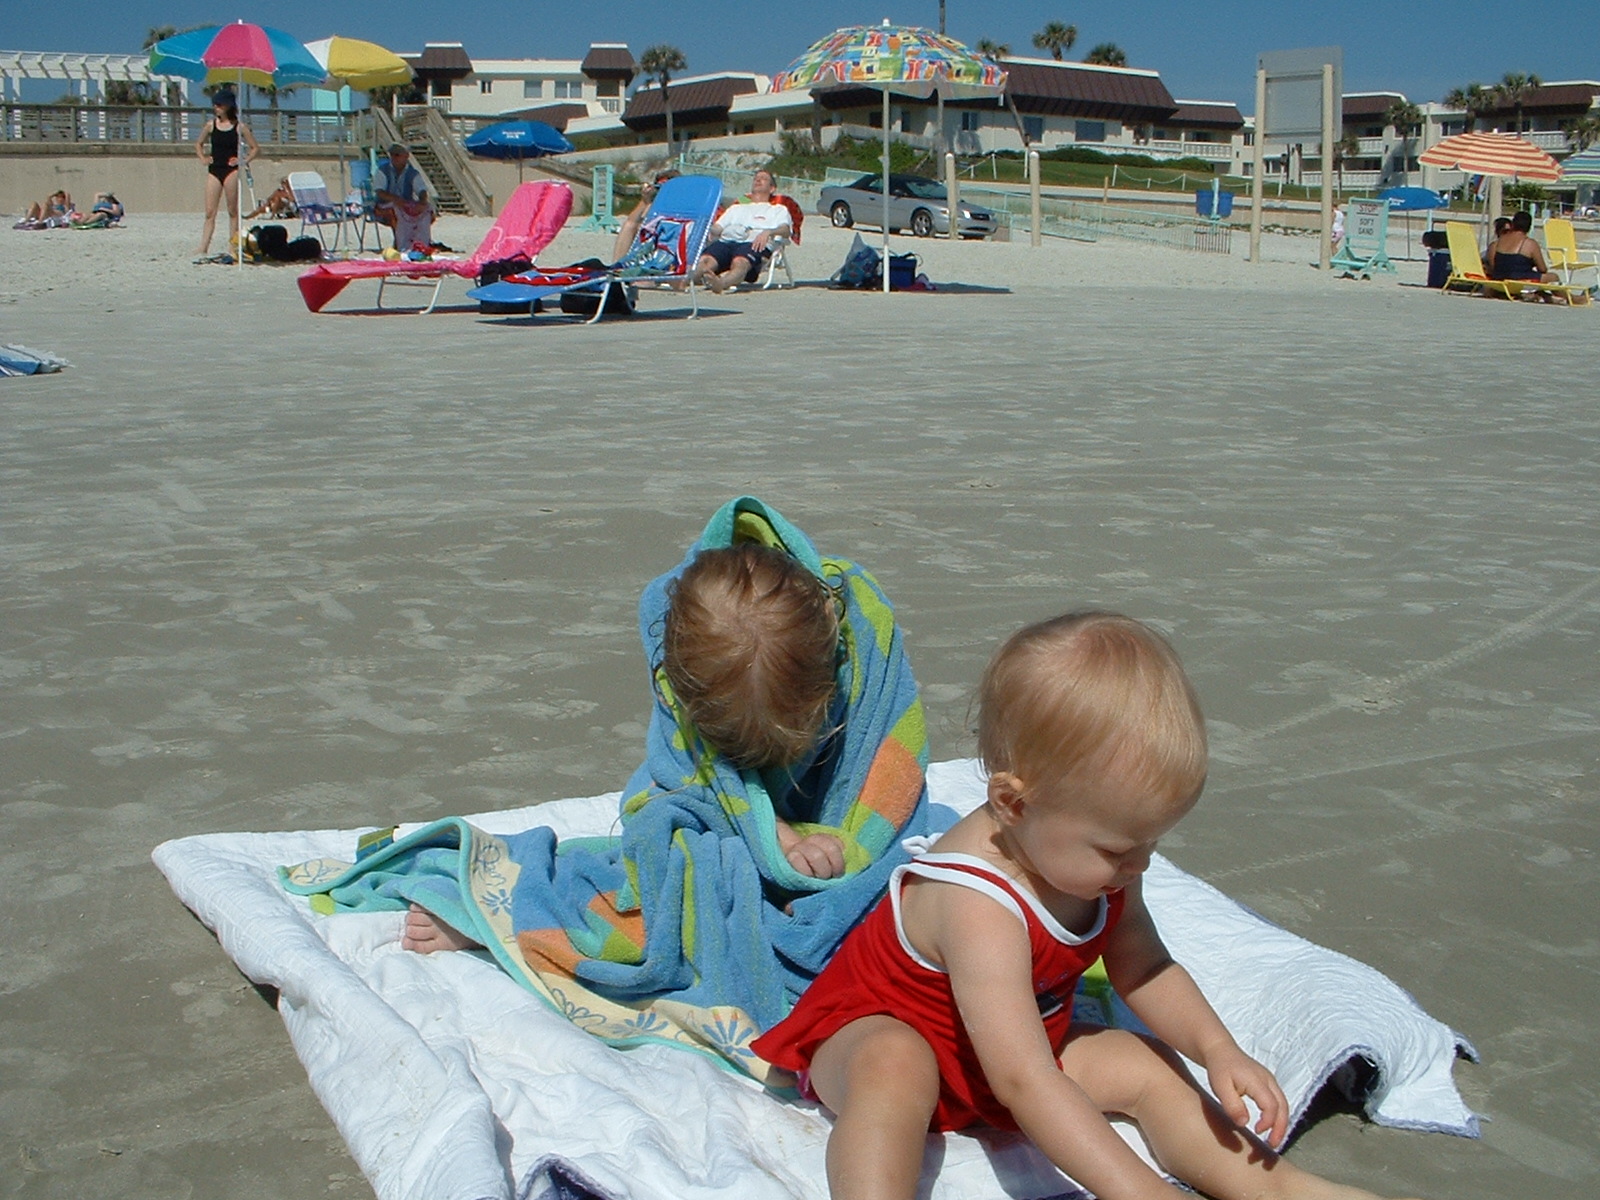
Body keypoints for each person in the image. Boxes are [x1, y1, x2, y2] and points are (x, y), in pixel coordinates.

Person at [752, 611, 1421, 1200]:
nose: (1140, 865)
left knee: (1147, 1064)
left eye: (1150, 842)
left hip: (1012, 1053)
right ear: (1014, 804)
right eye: (1118, 848)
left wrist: (1218, 1049)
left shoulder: (1103, 868)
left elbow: (1146, 967)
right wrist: (1141, 1190)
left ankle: (1278, 1187)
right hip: (884, 1036)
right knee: (893, 1068)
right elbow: (1025, 1082)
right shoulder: (978, 902)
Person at [403, 541, 849, 952]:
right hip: (697, 799)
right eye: (739, 750)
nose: (757, 764)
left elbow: (876, 793)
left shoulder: (854, 673)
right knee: (670, 889)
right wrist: (776, 838)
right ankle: (499, 919)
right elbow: (696, 778)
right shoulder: (692, 664)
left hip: (805, 808)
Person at [695, 168, 791, 293]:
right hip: (727, 242)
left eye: (763, 179)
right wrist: (705, 227)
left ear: (772, 188)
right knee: (705, 261)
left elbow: (785, 230)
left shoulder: (778, 210)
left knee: (740, 262)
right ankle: (684, 280)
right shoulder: (736, 208)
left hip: (754, 243)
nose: (758, 180)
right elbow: (718, 228)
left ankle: (721, 283)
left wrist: (768, 232)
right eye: (756, 178)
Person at [193, 91, 258, 260]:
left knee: (232, 210)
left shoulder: (239, 127)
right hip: (215, 169)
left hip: (231, 170)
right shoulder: (211, 125)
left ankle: (232, 245)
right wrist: (203, 158)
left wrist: (243, 160)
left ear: (228, 106)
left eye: (219, 104)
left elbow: (255, 148)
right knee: (210, 211)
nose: (216, 107)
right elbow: (198, 143)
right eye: (215, 105)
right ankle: (203, 246)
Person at [375, 142, 434, 253]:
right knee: (396, 211)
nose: (394, 157)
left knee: (426, 210)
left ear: (406, 156)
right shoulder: (382, 171)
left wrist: (422, 201)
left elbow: (421, 189)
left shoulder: (412, 173)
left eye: (397, 155)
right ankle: (401, 245)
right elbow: (380, 192)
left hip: (405, 204)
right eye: (392, 154)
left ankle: (421, 244)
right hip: (384, 205)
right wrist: (395, 199)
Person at [611, 167, 679, 261]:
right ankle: (617, 265)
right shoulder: (654, 205)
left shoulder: (683, 206)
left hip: (670, 246)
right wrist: (645, 201)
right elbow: (631, 222)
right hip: (653, 245)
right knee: (630, 225)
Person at [1486, 210, 1557, 286]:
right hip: (1520, 280)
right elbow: (1542, 269)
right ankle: (1565, 294)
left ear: (1513, 224)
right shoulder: (1530, 244)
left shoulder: (1496, 243)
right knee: (1553, 277)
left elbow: (1493, 266)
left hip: (1499, 279)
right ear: (1529, 227)